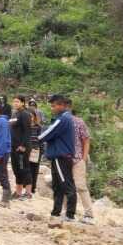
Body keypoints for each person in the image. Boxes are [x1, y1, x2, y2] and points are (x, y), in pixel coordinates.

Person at [38, 94, 78, 225]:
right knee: (58, 186)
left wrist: (35, 139)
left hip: (61, 157)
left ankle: (70, 215)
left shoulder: (63, 119)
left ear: (61, 105)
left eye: (54, 105)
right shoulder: (63, 118)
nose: (52, 108)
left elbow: (47, 133)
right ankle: (56, 212)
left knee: (66, 185)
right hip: (59, 157)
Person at [71, 103, 95, 223]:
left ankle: (89, 214)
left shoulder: (79, 122)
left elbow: (86, 140)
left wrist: (84, 158)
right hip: (64, 159)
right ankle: (69, 213)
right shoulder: (58, 121)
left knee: (80, 186)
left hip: (77, 159)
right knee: (66, 187)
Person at [8, 96, 34, 199]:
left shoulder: (25, 114)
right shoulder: (14, 114)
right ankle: (18, 192)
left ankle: (28, 193)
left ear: (23, 103)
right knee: (16, 169)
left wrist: (23, 145)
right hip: (13, 146)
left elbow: (28, 131)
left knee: (24, 168)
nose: (15, 103)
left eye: (17, 101)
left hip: (22, 147)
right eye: (14, 101)